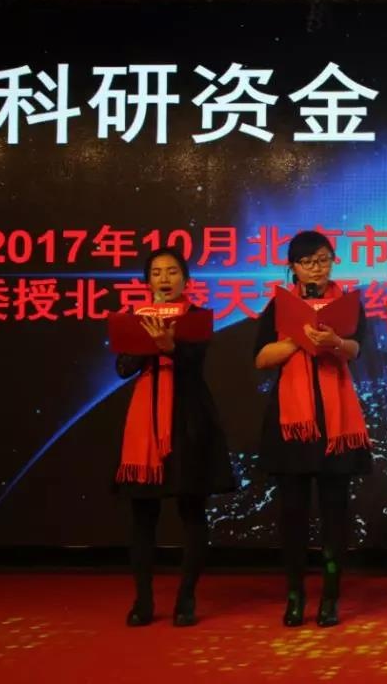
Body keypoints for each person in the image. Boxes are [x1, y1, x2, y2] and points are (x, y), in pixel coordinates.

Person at [253, 230, 372, 628]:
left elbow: (357, 349)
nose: (316, 269)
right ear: (293, 268)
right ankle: (295, 595)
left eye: (323, 260)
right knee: (293, 516)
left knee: (335, 516)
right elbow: (261, 358)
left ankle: (330, 598)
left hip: (336, 423)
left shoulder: (347, 303)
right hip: (293, 426)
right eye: (307, 262)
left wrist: (334, 340)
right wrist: (297, 341)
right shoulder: (279, 306)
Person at [114, 247, 232, 628]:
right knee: (142, 516)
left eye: (172, 272)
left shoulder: (196, 317)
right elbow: (122, 368)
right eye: (156, 273)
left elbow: (195, 364)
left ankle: (186, 599)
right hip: (145, 422)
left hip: (188, 418)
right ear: (147, 281)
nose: (164, 279)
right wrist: (146, 343)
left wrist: (171, 347)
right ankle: (143, 601)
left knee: (192, 511)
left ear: (186, 279)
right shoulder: (135, 316)